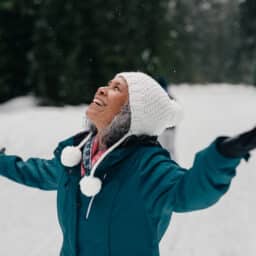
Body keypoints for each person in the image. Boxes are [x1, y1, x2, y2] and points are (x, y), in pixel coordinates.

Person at [0, 72, 255, 256]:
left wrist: (222, 155)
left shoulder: (147, 167)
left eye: (116, 89)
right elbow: (34, 171)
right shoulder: (75, 155)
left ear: (132, 113)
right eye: (108, 84)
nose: (102, 89)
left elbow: (188, 192)